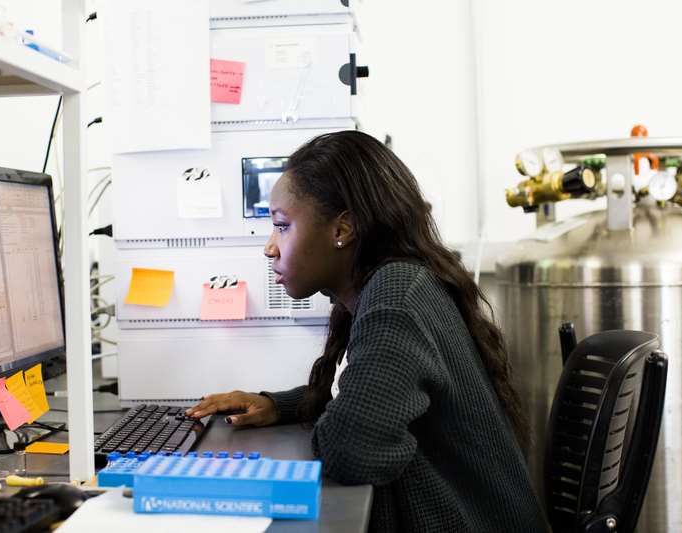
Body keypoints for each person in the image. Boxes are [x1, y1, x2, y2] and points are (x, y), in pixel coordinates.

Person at [185, 131, 547, 532]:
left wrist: (332, 421)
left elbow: (352, 449)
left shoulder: (396, 297)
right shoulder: (396, 285)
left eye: (282, 226)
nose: (270, 247)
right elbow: (375, 396)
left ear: (343, 229)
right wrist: (278, 405)